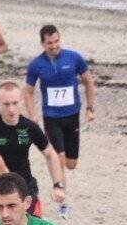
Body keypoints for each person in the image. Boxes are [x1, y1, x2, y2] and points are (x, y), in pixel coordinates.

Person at [0, 81, 67, 217]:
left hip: (25, 187)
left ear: (21, 101)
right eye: (6, 104)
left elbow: (50, 154)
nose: (11, 109)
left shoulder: (30, 127)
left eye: (15, 103)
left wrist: (58, 185)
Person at [24, 24, 96, 189]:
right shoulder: (36, 65)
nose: (54, 45)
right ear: (43, 43)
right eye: (50, 43)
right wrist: (33, 115)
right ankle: (61, 195)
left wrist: (90, 108)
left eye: (56, 41)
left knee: (71, 163)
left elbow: (89, 81)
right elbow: (28, 92)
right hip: (52, 117)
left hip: (72, 116)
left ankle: (58, 170)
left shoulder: (74, 58)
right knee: (59, 159)